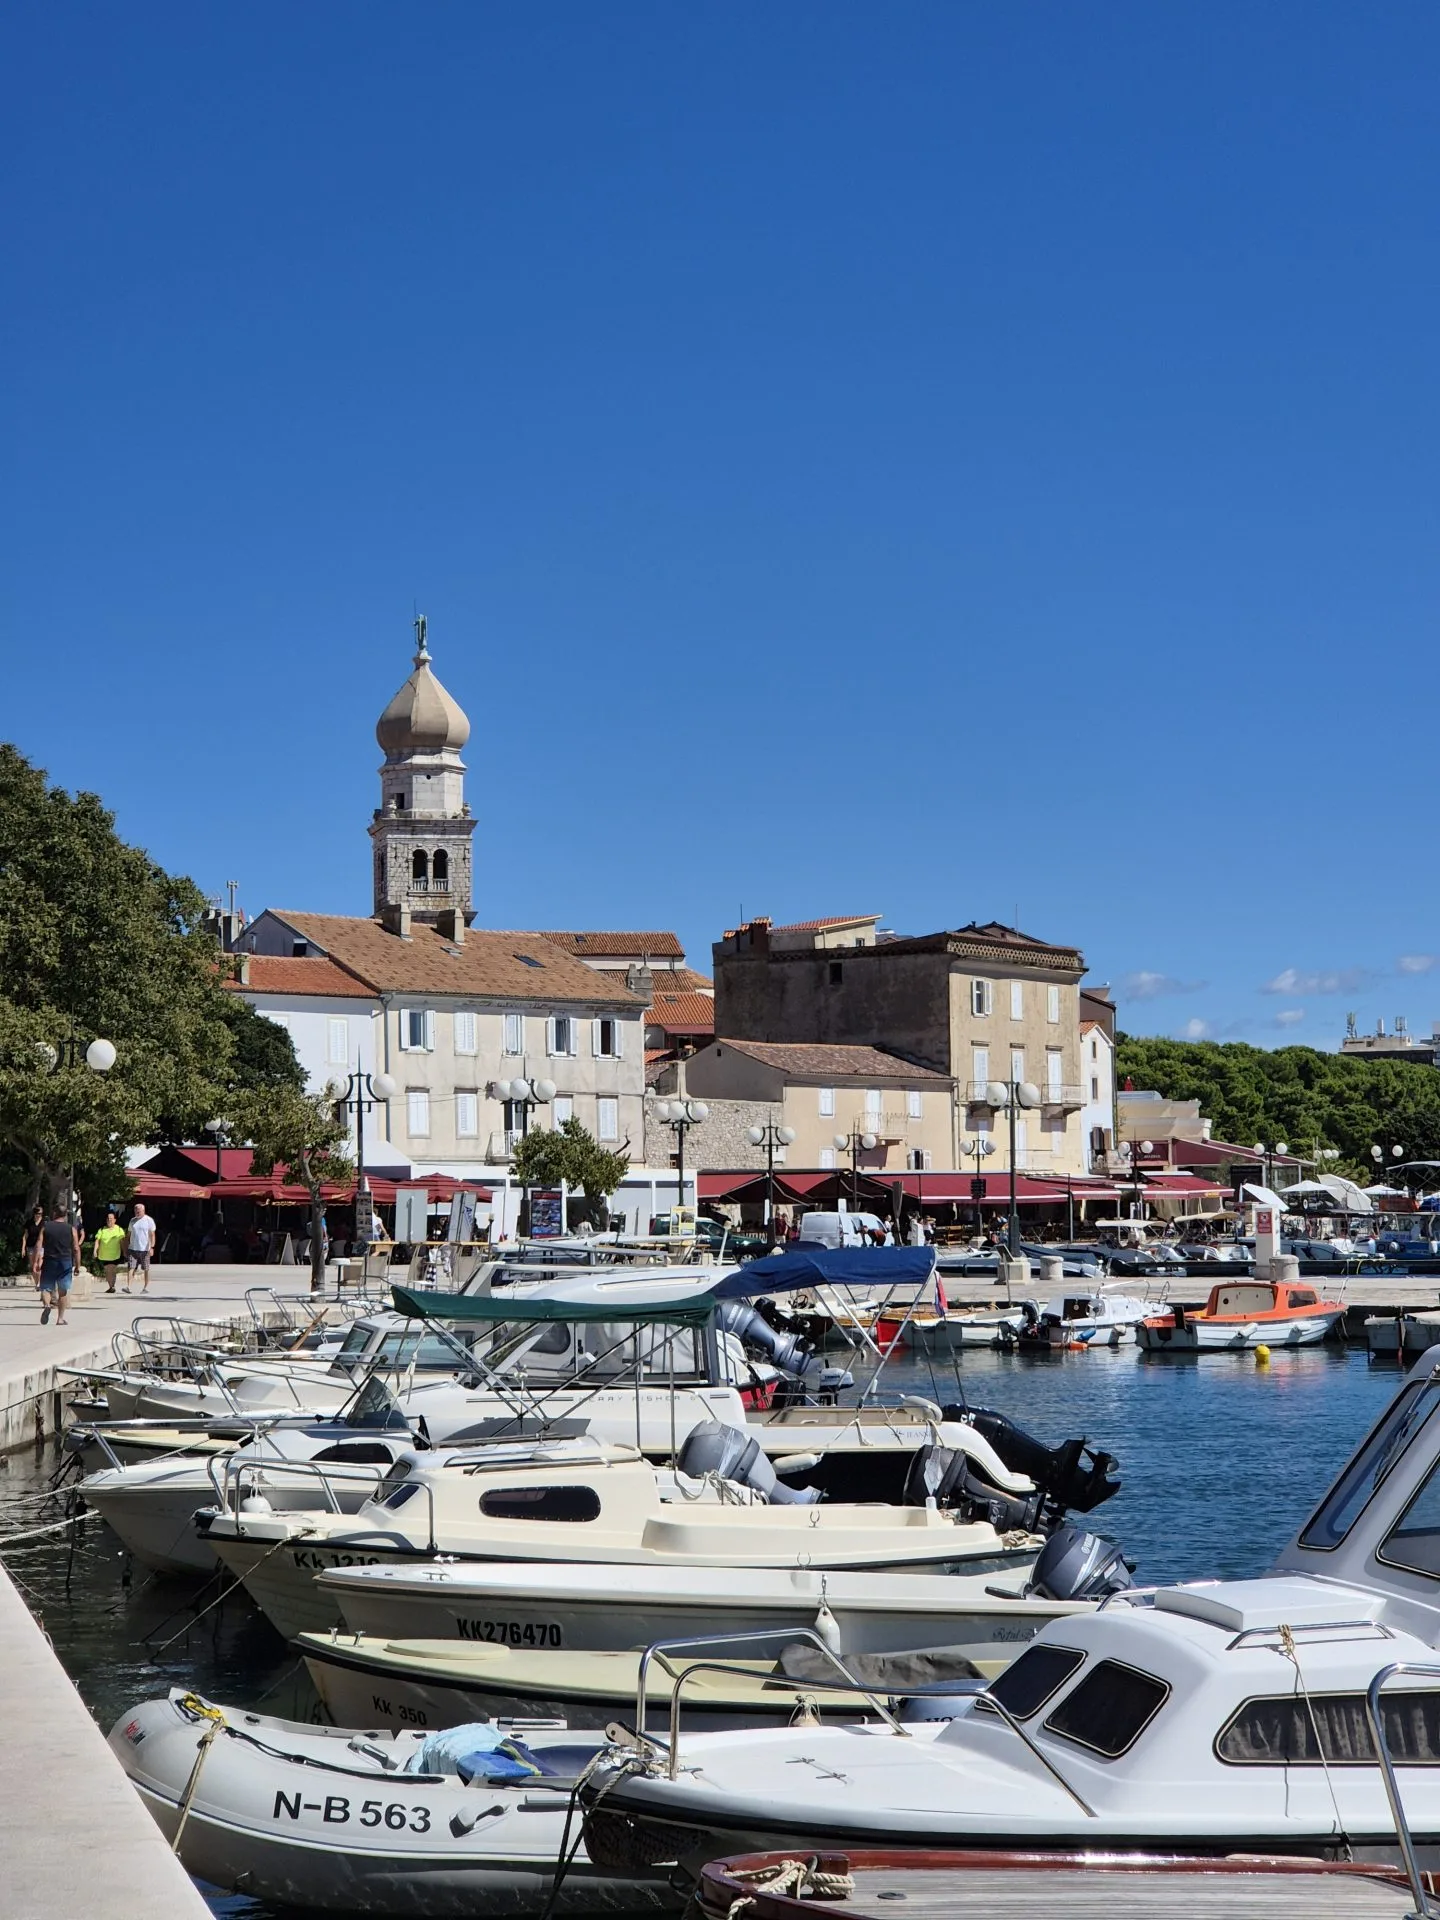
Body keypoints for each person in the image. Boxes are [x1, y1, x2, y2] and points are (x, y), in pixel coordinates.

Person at [32, 1202, 81, 1325]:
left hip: (49, 1261)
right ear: (65, 1215)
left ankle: (47, 1305)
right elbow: (76, 1248)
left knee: (45, 1288)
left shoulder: (46, 1227)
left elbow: (38, 1244)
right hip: (65, 1262)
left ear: (54, 1213)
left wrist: (36, 1261)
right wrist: (78, 1265)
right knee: (63, 1292)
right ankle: (60, 1319)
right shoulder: (71, 1229)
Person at [126, 1201, 158, 1291]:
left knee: (146, 1268)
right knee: (131, 1267)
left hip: (145, 1248)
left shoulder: (149, 1220)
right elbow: (128, 1234)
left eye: (139, 1211)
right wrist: (127, 1245)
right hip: (133, 1248)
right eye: (136, 1211)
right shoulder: (132, 1221)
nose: (137, 1213)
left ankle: (146, 1286)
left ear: (143, 1211)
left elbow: (152, 1234)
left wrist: (152, 1247)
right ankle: (128, 1286)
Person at [93, 1208, 126, 1292]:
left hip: (115, 1254)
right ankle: (111, 1286)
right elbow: (97, 1241)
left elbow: (122, 1241)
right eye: (108, 1219)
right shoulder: (102, 1230)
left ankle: (112, 1286)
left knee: (111, 1269)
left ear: (115, 1220)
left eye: (111, 1219)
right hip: (104, 1255)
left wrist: (125, 1251)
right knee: (108, 1271)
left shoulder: (119, 1229)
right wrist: (95, 1251)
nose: (109, 1220)